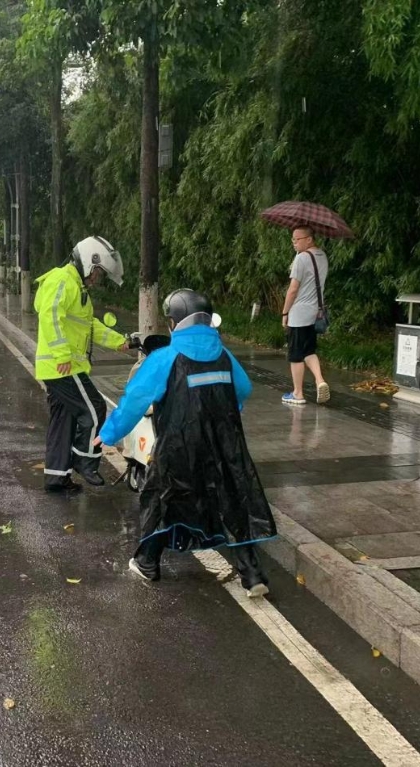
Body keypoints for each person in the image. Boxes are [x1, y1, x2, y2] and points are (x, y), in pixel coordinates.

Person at [96, 289, 276, 597]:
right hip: (225, 446)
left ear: (174, 321)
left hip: (179, 446)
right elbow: (243, 389)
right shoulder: (223, 354)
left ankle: (148, 562)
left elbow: (135, 400)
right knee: (233, 501)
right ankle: (252, 573)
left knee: (161, 498)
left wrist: (110, 433)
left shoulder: (165, 357)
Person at [34, 236, 129, 493]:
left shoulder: (76, 287)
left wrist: (122, 342)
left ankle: (57, 477)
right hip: (62, 367)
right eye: (98, 272)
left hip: (59, 366)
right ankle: (84, 459)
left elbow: (90, 327)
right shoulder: (62, 280)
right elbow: (50, 317)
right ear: (89, 261)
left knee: (63, 420)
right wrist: (63, 355)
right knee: (94, 407)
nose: (97, 278)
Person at [281, 227, 330, 406]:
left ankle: (298, 393)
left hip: (299, 313)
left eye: (297, 239)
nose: (294, 243)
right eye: (293, 240)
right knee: (309, 350)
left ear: (309, 239)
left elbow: (293, 289)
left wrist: (285, 312)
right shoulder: (322, 256)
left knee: (295, 355)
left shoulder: (301, 258)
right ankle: (320, 381)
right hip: (315, 312)